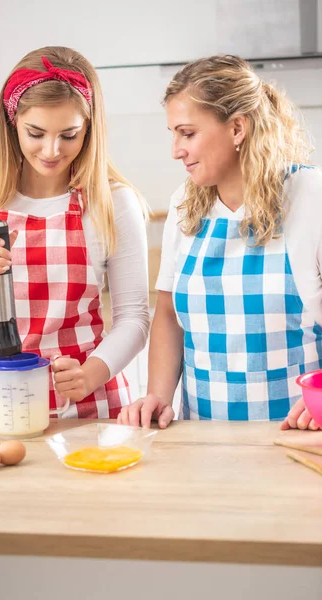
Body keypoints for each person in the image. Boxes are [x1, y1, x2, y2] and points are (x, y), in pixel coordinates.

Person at [0, 46, 149, 418]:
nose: (51, 150)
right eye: (36, 133)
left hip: (91, 404)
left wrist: (90, 374)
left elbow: (135, 319)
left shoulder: (114, 203)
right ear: (13, 123)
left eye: (69, 135)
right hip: (1, 406)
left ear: (89, 130)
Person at [118, 54, 322, 431]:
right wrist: (158, 396)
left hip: (299, 434)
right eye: (174, 134)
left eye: (188, 133)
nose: (176, 149)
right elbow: (167, 313)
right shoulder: (186, 204)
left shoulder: (311, 197)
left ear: (237, 129)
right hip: (205, 440)